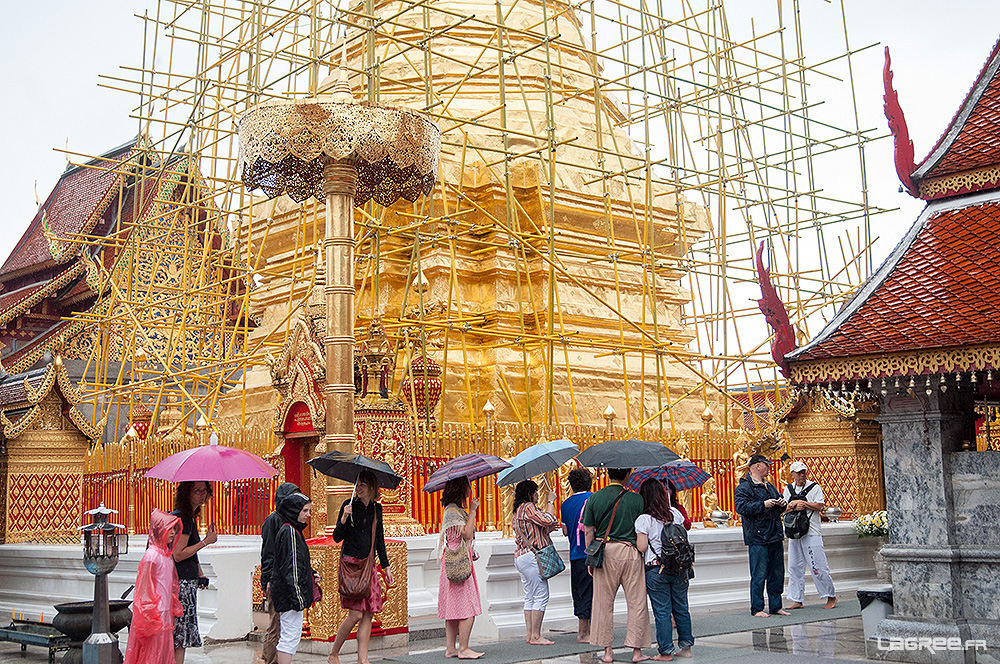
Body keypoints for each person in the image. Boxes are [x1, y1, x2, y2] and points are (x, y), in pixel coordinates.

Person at [582, 467, 651, 664]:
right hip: (631, 551)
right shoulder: (636, 499)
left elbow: (588, 531)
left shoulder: (595, 497)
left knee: (603, 603)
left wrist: (591, 556)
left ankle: (607, 651)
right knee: (637, 602)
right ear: (628, 474)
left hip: (605, 552)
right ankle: (636, 651)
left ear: (608, 474)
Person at [328, 471, 395, 664]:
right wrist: (343, 519)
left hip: (370, 565)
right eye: (358, 484)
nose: (359, 488)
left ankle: (362, 659)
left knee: (368, 613)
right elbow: (337, 537)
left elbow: (379, 539)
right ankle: (333, 653)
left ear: (372, 488)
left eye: (364, 485)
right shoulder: (348, 506)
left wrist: (386, 566)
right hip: (352, 565)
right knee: (355, 613)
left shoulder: (376, 509)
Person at [635, 480, 693, 661]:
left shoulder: (644, 519)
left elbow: (642, 547)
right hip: (679, 567)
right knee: (681, 608)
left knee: (662, 611)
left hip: (656, 569)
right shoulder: (675, 513)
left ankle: (666, 651)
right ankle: (686, 647)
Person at [733, 454, 791, 617]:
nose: (769, 467)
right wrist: (762, 504)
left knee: (776, 572)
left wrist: (781, 504)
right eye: (766, 464)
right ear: (757, 466)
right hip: (758, 536)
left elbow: (781, 503)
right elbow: (741, 507)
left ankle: (776, 605)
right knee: (759, 573)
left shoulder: (769, 486)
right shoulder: (745, 488)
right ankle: (757, 607)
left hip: (774, 533)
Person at [125, 509, 183, 664]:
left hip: (164, 613)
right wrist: (149, 614)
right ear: (159, 529)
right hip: (154, 614)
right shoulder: (152, 556)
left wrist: (173, 610)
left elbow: (172, 586)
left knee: (163, 651)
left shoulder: (166, 556)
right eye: (169, 529)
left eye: (174, 530)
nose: (172, 533)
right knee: (151, 653)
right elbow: (145, 588)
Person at [438, 478, 484, 659]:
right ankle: (463, 648)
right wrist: (472, 511)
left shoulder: (455, 510)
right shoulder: (452, 511)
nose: (469, 488)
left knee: (453, 608)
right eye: (467, 485)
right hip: (458, 563)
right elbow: (465, 533)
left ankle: (451, 648)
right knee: (467, 606)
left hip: (456, 561)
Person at [172, 481, 217, 663]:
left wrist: (199, 573)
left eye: (204, 490)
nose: (201, 495)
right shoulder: (184, 520)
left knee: (179, 634)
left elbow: (189, 551)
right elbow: (178, 554)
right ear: (186, 493)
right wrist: (206, 541)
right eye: (196, 491)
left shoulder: (187, 518)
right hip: (181, 585)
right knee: (180, 635)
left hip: (184, 581)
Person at [511, 480, 560, 646]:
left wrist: (548, 528)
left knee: (530, 596)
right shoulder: (528, 507)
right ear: (530, 493)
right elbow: (548, 519)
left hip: (521, 556)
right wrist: (551, 501)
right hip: (532, 556)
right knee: (541, 595)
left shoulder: (518, 511)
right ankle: (536, 636)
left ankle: (531, 634)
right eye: (536, 492)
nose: (538, 495)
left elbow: (537, 528)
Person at [782, 461, 837, 610]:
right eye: (798, 473)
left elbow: (820, 506)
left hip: (811, 532)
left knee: (817, 566)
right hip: (794, 533)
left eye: (803, 472)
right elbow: (784, 509)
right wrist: (793, 505)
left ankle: (830, 595)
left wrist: (804, 503)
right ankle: (796, 599)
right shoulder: (788, 489)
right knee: (794, 566)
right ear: (792, 474)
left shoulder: (814, 487)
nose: (801, 475)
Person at [271, 492, 315, 663]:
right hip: (289, 594)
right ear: (294, 510)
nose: (308, 515)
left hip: (287, 592)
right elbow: (292, 566)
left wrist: (311, 575)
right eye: (304, 510)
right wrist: (297, 595)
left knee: (290, 636)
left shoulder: (292, 531)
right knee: (289, 637)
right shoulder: (289, 532)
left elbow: (298, 563)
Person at [260, 482, 301, 664]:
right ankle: (268, 659)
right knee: (275, 623)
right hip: (275, 579)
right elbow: (268, 552)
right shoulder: (273, 520)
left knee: (285, 625)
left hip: (286, 579)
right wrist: (267, 579)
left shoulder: (292, 521)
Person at [560, 467, 593, 643]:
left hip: (575, 553)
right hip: (592, 552)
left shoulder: (565, 504)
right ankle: (586, 632)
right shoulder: (592, 499)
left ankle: (583, 630)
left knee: (580, 591)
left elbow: (565, 531)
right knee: (593, 591)